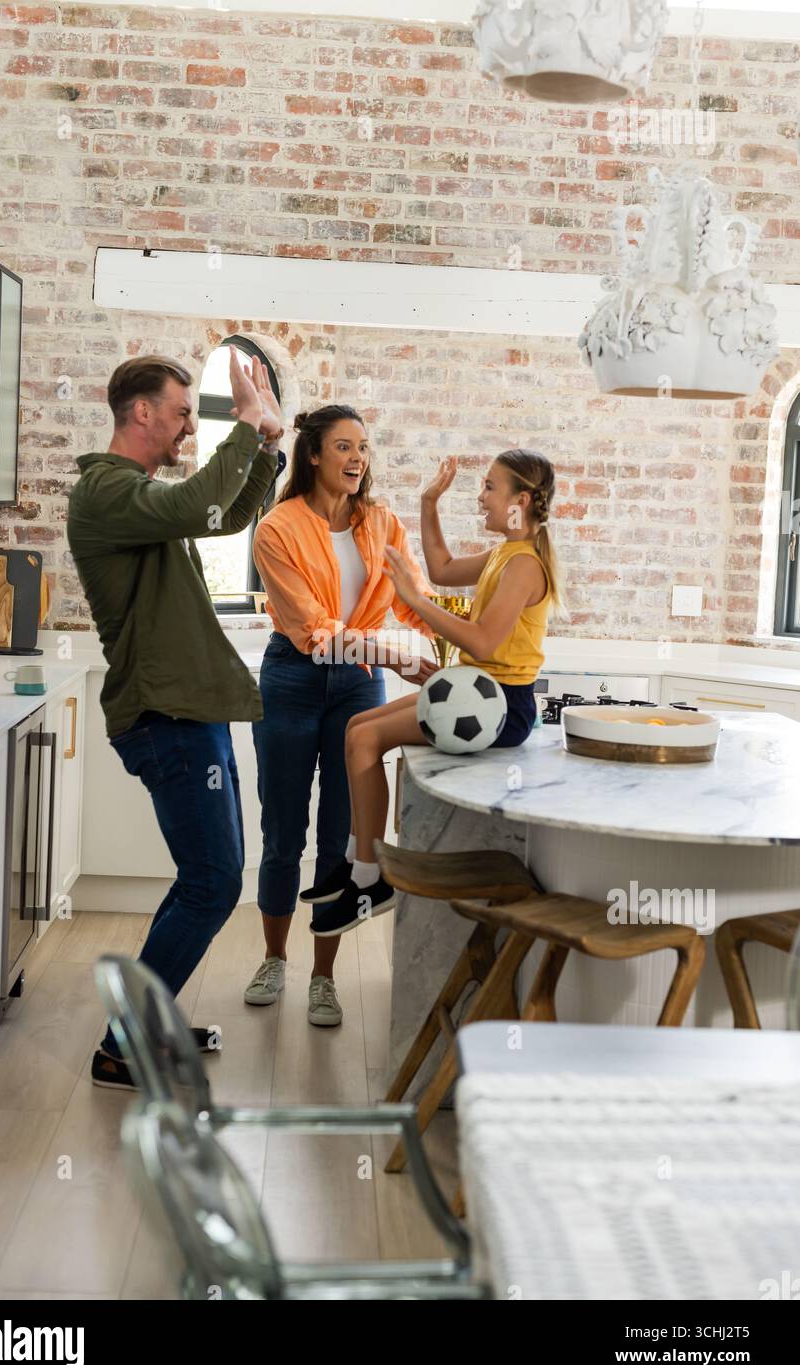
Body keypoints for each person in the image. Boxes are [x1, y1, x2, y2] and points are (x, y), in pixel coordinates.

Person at [67, 349, 285, 1089]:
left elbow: (223, 514)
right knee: (216, 881)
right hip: (166, 716)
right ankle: (122, 1048)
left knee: (202, 877)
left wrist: (268, 446)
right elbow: (199, 505)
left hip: (185, 710)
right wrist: (245, 428)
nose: (190, 424)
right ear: (141, 413)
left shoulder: (139, 498)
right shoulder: (106, 492)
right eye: (183, 410)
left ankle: (143, 1027)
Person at [309, 448, 563, 938]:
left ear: (521, 500)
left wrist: (414, 599)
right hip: (477, 688)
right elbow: (443, 568)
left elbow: (484, 640)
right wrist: (429, 503)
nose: (482, 496)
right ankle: (355, 859)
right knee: (357, 727)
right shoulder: (504, 555)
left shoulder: (525, 566)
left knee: (365, 741)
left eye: (490, 486)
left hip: (501, 706)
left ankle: (371, 878)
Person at [246, 404, 437, 1027]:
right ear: (314, 455)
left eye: (363, 448)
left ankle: (323, 977)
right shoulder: (277, 528)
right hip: (293, 679)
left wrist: (449, 642)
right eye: (344, 447)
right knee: (282, 834)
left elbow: (414, 600)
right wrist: (391, 654)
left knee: (340, 836)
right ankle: (276, 957)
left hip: (358, 687)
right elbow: (313, 634)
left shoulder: (380, 522)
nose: (358, 459)